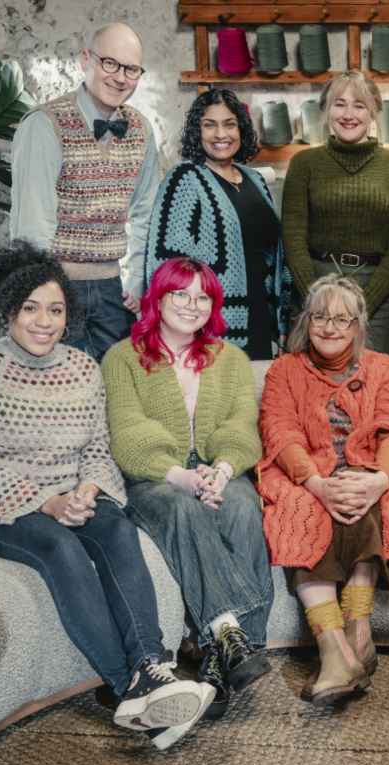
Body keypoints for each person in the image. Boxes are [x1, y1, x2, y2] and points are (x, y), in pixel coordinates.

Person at [0, 241, 214, 751]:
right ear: (6, 312)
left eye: (56, 309)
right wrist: (48, 503)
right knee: (60, 548)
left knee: (114, 527)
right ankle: (130, 685)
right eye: (30, 308)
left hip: (71, 494)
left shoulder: (83, 369)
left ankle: (151, 667)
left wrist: (88, 489)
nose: (44, 321)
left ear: (69, 315)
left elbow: (98, 448)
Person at [102, 256, 274, 723]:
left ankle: (223, 665)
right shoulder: (123, 358)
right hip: (155, 477)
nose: (192, 305)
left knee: (241, 504)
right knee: (182, 508)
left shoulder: (230, 358)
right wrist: (182, 476)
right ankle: (230, 636)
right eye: (181, 293)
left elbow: (241, 423)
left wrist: (220, 471)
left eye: (203, 296)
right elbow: (128, 433)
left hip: (218, 469)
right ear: (158, 297)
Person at [257, 275, 389, 706]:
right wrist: (315, 482)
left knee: (367, 499)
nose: (329, 328)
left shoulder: (383, 367)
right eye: (320, 317)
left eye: (341, 320)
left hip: (368, 469)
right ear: (306, 321)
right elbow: (281, 431)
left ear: (358, 325)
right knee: (302, 510)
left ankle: (356, 635)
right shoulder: (284, 369)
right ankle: (335, 648)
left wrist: (380, 479)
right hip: (306, 474)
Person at [10, 23, 159, 360]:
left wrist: (136, 280)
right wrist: (38, 301)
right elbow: (33, 226)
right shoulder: (44, 124)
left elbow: (147, 213)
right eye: (110, 63)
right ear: (85, 60)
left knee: (114, 395)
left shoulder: (141, 129)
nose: (120, 77)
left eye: (131, 69)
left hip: (112, 290)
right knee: (56, 397)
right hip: (54, 285)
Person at [144, 89, 288, 360]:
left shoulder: (254, 180)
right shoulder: (184, 178)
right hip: (211, 324)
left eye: (229, 124)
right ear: (197, 132)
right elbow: (167, 263)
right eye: (209, 125)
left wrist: (281, 319)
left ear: (241, 129)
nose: (220, 134)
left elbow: (272, 253)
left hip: (258, 315)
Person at [282, 71, 389, 355]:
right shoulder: (303, 164)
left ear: (373, 112)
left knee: (371, 383)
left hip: (374, 294)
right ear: (326, 109)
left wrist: (363, 305)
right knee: (305, 384)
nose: (348, 114)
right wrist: (316, 302)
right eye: (339, 104)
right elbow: (293, 240)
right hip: (313, 289)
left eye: (359, 105)